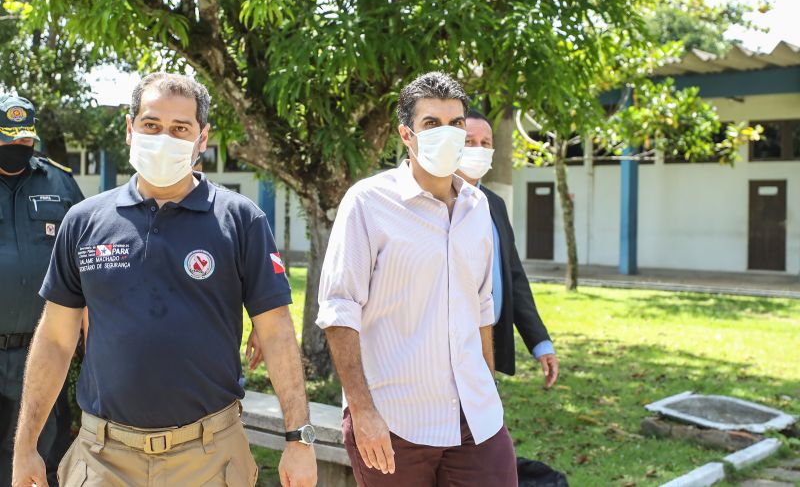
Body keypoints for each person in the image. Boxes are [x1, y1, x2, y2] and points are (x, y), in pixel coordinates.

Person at [12, 73, 317, 487]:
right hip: (103, 457)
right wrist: (26, 446)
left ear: (202, 138)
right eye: (152, 125)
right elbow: (55, 340)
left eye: (180, 129)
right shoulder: (84, 223)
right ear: (130, 128)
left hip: (210, 457)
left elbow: (278, 332)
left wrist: (299, 439)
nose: (163, 138)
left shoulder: (241, 220)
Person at [317, 72, 517, 486]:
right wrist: (361, 409)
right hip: (395, 421)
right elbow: (339, 310)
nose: (447, 134)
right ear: (407, 134)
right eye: (432, 124)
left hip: (475, 418)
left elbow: (482, 305)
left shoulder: (477, 206)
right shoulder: (368, 202)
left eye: (456, 124)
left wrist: (489, 388)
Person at [0, 94, 84, 487]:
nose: (17, 148)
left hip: (41, 351)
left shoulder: (60, 182)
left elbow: (88, 254)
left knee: (42, 456)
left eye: (24, 140)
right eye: (8, 139)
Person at [456, 109, 559, 386]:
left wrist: (540, 343)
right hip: (446, 350)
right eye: (469, 142)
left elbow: (513, 276)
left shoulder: (494, 205)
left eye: (485, 143)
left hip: (490, 344)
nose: (478, 149)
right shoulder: (435, 204)